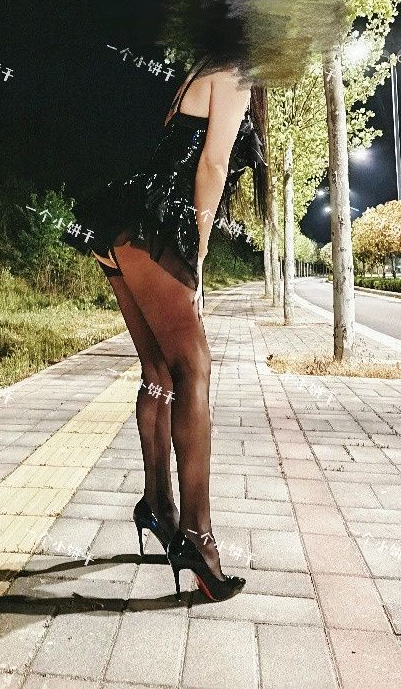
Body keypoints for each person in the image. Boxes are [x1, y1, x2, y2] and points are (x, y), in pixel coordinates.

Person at [62, 53, 268, 602]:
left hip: (122, 223)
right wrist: (198, 251)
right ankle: (197, 538)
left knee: (158, 373)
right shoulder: (236, 72)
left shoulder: (197, 73)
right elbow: (212, 166)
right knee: (193, 367)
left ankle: (157, 506)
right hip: (154, 227)